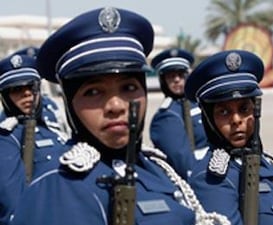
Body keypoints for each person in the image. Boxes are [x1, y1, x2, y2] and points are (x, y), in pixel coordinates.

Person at [9, 7, 229, 225]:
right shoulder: (58, 188)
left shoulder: (157, 169)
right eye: (93, 92)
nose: (115, 105)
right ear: (69, 103)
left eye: (129, 87)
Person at [186, 49, 273, 225]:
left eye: (244, 109)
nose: (236, 120)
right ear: (209, 119)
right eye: (224, 112)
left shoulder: (266, 165)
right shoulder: (211, 178)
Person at [0, 48, 68, 224]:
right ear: (6, 97)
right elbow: (12, 204)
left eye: (31, 87)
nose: (27, 94)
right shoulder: (7, 137)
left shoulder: (52, 130)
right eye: (17, 90)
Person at [150, 48, 208, 178]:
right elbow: (183, 162)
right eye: (171, 76)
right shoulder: (166, 116)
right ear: (163, 81)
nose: (177, 80)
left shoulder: (201, 104)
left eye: (181, 75)